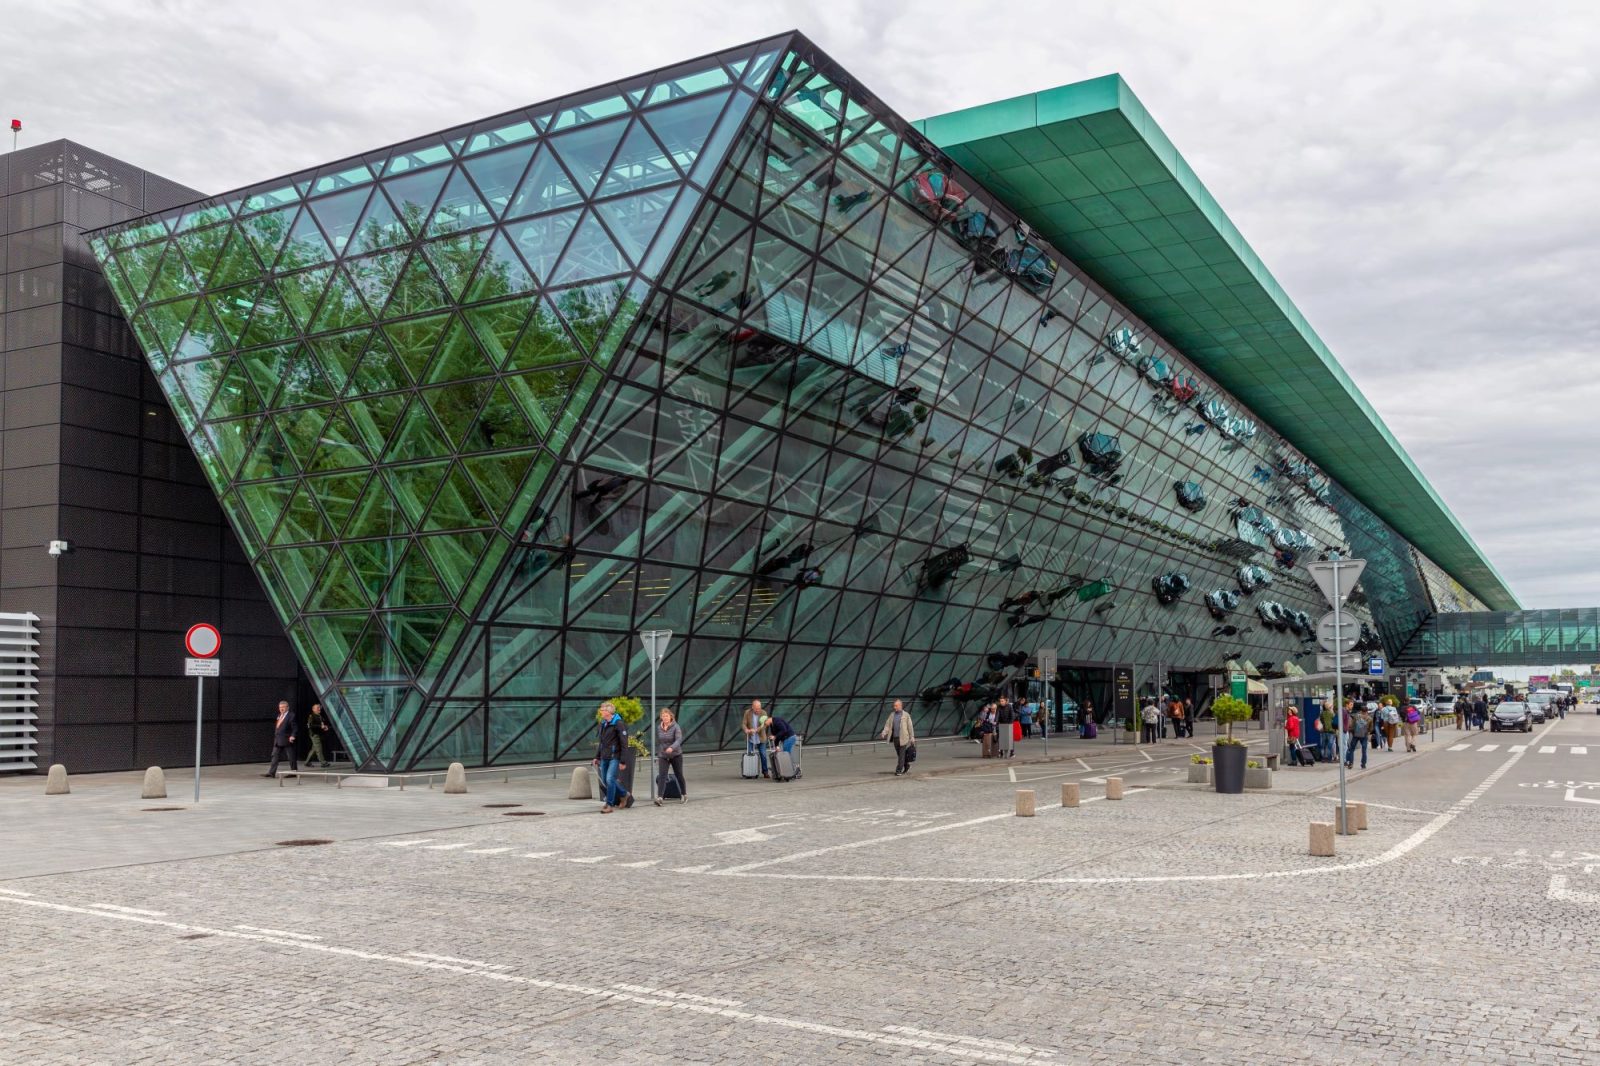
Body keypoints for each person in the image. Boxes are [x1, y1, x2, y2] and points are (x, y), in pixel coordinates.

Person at [592, 701, 631, 813]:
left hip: (615, 756)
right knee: (606, 780)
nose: (600, 712)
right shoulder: (603, 724)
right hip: (604, 756)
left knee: (610, 779)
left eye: (602, 710)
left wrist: (623, 761)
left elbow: (624, 743)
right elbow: (602, 742)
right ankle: (624, 794)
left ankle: (609, 805)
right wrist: (597, 757)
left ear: (608, 712)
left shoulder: (618, 723)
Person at [654, 707, 686, 806]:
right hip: (663, 755)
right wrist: (661, 751)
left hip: (676, 754)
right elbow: (660, 740)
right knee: (662, 775)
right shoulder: (659, 727)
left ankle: (684, 794)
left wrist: (672, 748)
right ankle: (660, 797)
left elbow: (679, 739)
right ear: (661, 717)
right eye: (663, 716)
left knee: (679, 774)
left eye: (667, 716)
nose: (665, 718)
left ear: (671, 717)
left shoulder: (676, 727)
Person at [879, 699, 916, 775]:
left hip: (903, 738)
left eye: (896, 706)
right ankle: (907, 765)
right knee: (900, 754)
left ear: (900, 706)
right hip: (895, 738)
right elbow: (887, 725)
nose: (894, 707)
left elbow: (910, 727)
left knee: (901, 754)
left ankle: (899, 770)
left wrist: (912, 736)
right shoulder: (892, 715)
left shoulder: (906, 715)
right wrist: (884, 732)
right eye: (894, 706)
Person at [265, 700, 297, 778]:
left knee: (291, 756)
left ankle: (294, 772)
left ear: (287, 707)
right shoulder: (279, 715)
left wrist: (293, 736)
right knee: (274, 756)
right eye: (280, 707)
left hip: (287, 739)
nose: (281, 709)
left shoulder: (291, 715)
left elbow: (295, 728)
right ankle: (271, 773)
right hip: (278, 739)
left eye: (283, 707)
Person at [742, 699, 769, 779]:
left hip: (761, 737)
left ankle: (765, 772)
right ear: (752, 707)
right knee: (749, 754)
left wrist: (756, 730)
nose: (758, 710)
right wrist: (746, 729)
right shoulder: (747, 712)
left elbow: (764, 725)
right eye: (756, 708)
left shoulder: (764, 713)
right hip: (750, 737)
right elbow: (743, 723)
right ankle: (750, 772)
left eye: (759, 708)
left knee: (763, 754)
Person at [1345, 702, 1373, 769]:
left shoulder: (1356, 716)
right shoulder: (1370, 718)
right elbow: (1371, 729)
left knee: (1351, 749)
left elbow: (1352, 726)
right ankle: (1363, 764)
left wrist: (1352, 732)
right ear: (1367, 711)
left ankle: (1350, 763)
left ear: (1361, 711)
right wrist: (1367, 732)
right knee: (1364, 750)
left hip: (1356, 735)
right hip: (1364, 735)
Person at [305, 702, 332, 768]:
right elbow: (310, 725)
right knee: (319, 749)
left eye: (319, 707)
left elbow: (323, 725)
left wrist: (326, 727)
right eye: (317, 708)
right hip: (314, 735)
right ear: (313, 709)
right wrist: (320, 726)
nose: (319, 709)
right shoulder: (312, 716)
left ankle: (307, 762)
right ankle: (323, 763)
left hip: (319, 734)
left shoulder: (320, 716)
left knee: (314, 749)